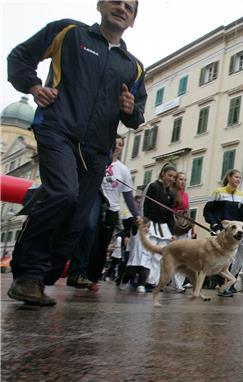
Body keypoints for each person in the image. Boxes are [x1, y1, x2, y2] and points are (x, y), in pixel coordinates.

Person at [7, 0, 146, 306]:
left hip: (97, 148)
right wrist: (33, 87)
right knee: (63, 193)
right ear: (100, 5)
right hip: (57, 129)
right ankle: (28, 275)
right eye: (115, 1)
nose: (121, 8)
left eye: (129, 6)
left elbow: (137, 114)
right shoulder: (68, 32)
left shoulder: (133, 66)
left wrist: (130, 109)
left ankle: (42, 277)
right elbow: (20, 57)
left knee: (80, 218)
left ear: (133, 20)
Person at [86, 135, 140, 290]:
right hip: (94, 206)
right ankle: (80, 271)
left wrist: (136, 215)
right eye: (115, 143)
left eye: (121, 144)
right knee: (90, 238)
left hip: (112, 210)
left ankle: (93, 279)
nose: (118, 146)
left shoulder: (123, 170)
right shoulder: (98, 162)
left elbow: (128, 196)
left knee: (102, 245)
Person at [203, 169, 243, 297]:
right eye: (236, 177)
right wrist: (215, 225)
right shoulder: (218, 193)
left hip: (237, 233)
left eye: (240, 178)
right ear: (229, 178)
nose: (238, 180)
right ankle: (223, 285)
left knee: (242, 256)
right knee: (223, 260)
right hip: (221, 232)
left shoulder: (241, 196)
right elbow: (207, 212)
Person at [142, 164, 177, 291]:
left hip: (164, 228)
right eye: (169, 176)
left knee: (159, 256)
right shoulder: (153, 186)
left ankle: (153, 282)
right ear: (163, 174)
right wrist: (145, 222)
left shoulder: (171, 194)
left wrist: (172, 232)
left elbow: (170, 214)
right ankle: (143, 280)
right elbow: (145, 205)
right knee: (149, 253)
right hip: (151, 224)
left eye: (174, 177)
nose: (171, 179)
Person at [170, 172, 192, 292]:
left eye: (185, 180)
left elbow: (187, 211)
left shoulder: (186, 195)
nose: (183, 182)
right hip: (174, 226)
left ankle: (177, 283)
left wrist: (191, 228)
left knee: (184, 256)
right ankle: (177, 284)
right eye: (180, 179)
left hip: (184, 226)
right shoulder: (172, 193)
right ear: (176, 180)